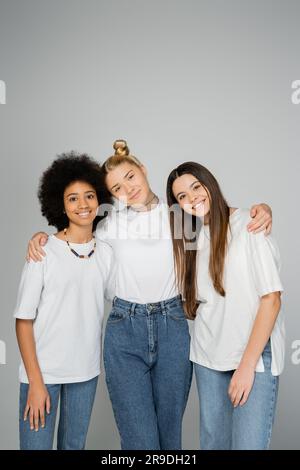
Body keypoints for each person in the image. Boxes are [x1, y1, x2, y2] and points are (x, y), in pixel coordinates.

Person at [26, 140, 273, 450]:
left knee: (170, 437)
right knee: (139, 440)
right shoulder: (107, 226)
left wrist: (262, 209)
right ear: (111, 196)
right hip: (124, 330)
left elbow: (225, 216)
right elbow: (71, 238)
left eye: (130, 177)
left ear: (142, 170)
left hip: (173, 328)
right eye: (116, 188)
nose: (127, 189)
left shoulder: (181, 215)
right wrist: (42, 239)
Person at [167, 161, 284, 450]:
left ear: (210, 183)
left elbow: (271, 299)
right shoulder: (188, 240)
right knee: (213, 445)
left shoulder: (249, 224)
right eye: (182, 196)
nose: (192, 198)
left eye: (196, 187)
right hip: (208, 357)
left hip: (253, 357)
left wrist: (246, 366)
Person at [14, 153, 114, 450]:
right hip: (43, 372)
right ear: (60, 204)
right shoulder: (43, 251)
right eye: (73, 198)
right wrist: (35, 381)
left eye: (89, 196)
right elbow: (23, 320)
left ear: (100, 200)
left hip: (85, 372)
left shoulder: (107, 253)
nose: (83, 205)